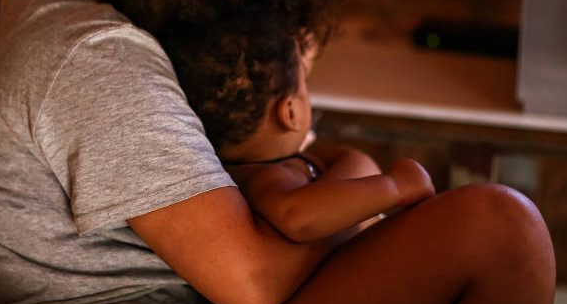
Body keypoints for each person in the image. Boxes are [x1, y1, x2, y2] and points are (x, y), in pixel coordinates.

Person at [0, 0, 556, 304]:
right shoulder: (92, 54)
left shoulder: (60, 14)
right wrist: (350, 189)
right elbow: (252, 282)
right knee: (500, 231)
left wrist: (339, 190)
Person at [163, 19, 435, 243]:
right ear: (290, 113)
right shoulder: (267, 176)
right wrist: (395, 186)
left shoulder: (250, 166)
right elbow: (297, 218)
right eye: (306, 84)